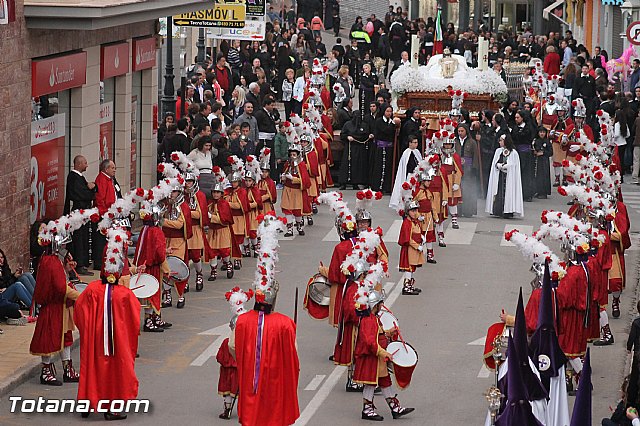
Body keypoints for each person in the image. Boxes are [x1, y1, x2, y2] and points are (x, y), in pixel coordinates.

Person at [229, 217, 300, 426]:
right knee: (273, 415)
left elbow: (233, 346)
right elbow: (294, 357)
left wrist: (246, 359)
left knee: (251, 416)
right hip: (276, 382)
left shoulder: (242, 321)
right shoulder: (285, 323)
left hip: (250, 380)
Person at [74, 233, 140, 421]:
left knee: (92, 368)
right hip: (116, 342)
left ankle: (87, 402)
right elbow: (134, 322)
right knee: (114, 372)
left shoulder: (92, 289)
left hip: (94, 341)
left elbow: (79, 312)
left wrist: (88, 331)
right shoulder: (125, 295)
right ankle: (111, 408)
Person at [353, 289, 414, 420]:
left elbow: (377, 334)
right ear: (375, 305)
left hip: (377, 358)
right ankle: (367, 409)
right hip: (372, 357)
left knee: (385, 381)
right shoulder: (368, 320)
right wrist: (383, 353)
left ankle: (394, 407)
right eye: (380, 303)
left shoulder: (373, 318)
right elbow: (369, 342)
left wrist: (388, 333)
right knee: (370, 383)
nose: (382, 305)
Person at [30, 244, 81, 385]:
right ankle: (46, 372)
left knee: (66, 338)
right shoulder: (50, 261)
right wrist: (80, 296)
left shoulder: (55, 260)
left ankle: (67, 369)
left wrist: (67, 269)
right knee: (48, 339)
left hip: (62, 306)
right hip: (53, 306)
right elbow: (60, 287)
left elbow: (60, 280)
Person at [134, 203, 172, 332]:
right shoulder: (156, 231)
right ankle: (149, 321)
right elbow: (159, 254)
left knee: (151, 293)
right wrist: (166, 268)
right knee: (153, 294)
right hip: (153, 267)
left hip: (145, 265)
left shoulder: (145, 230)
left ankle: (156, 317)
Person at [161, 186, 193, 309]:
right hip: (166, 240)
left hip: (178, 241)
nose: (171, 194)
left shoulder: (183, 207)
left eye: (174, 191)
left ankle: (180, 296)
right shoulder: (167, 205)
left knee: (177, 269)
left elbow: (180, 224)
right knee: (165, 269)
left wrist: (163, 221)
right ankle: (168, 296)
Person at [63, 155, 95, 275]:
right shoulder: (74, 177)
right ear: (79, 164)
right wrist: (91, 190)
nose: (87, 165)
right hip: (77, 216)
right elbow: (81, 194)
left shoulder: (79, 178)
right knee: (79, 239)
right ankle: (79, 264)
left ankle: (83, 263)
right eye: (85, 163)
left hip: (83, 215)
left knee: (84, 238)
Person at [486, 133, 524, 218]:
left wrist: (507, 166)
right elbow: (494, 163)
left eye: (501, 140)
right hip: (499, 176)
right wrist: (498, 165)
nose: (499, 142)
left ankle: (508, 211)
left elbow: (515, 165)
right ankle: (498, 210)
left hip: (509, 177)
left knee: (508, 191)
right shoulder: (498, 151)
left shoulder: (513, 153)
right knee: (499, 191)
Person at [206, 170, 234, 282]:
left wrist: (211, 217)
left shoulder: (224, 204)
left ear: (221, 193)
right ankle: (213, 271)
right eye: (214, 192)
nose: (215, 194)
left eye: (218, 192)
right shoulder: (210, 203)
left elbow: (224, 219)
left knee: (224, 251)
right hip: (212, 231)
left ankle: (228, 264)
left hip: (222, 231)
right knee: (212, 252)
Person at [93, 159, 121, 270]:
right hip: (104, 215)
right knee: (100, 240)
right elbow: (100, 199)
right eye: (113, 168)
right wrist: (105, 213)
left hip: (110, 213)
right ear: (106, 169)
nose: (115, 170)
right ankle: (99, 262)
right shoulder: (102, 180)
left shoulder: (110, 179)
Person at [280, 142, 311, 237]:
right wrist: (283, 178)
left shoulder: (301, 165)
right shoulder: (287, 164)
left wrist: (293, 178)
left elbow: (306, 181)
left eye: (294, 154)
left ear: (298, 155)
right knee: (287, 209)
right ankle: (289, 229)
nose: (292, 156)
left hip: (297, 191)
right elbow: (283, 175)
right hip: (287, 190)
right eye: (291, 154)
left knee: (297, 210)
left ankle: (299, 226)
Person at [185, 173, 209, 292]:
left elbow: (201, 214)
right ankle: (184, 279)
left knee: (195, 255)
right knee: (184, 256)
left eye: (190, 181)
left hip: (195, 229)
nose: (188, 184)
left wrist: (188, 212)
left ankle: (199, 274)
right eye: (186, 181)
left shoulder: (200, 195)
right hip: (183, 228)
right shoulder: (182, 195)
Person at [339, 111, 372, 190]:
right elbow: (342, 134)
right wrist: (347, 137)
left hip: (360, 148)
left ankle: (356, 182)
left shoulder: (364, 125)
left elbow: (366, 134)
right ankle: (343, 183)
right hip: (350, 147)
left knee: (358, 165)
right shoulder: (348, 124)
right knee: (347, 165)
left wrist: (369, 136)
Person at [225, 167, 250, 271]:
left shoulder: (242, 192)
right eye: (232, 182)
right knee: (230, 240)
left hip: (239, 219)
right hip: (230, 219)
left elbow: (240, 206)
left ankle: (237, 260)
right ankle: (227, 261)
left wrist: (228, 204)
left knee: (238, 241)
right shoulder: (228, 191)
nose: (233, 184)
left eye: (235, 182)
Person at [389, 135, 422, 210]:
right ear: (410, 143)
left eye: (417, 142)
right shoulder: (406, 153)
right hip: (409, 176)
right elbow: (404, 166)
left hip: (416, 176)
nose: (416, 144)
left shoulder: (417, 152)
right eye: (414, 142)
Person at [398, 200, 423, 295]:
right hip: (410, 249)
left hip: (414, 249)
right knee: (408, 268)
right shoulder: (407, 223)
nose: (415, 213)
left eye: (416, 210)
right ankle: (406, 286)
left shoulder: (414, 222)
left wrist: (421, 237)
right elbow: (408, 239)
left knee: (412, 267)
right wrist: (417, 246)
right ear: (407, 212)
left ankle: (410, 285)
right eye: (412, 211)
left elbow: (416, 232)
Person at [455, 123, 480, 217]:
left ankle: (468, 210)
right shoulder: (455, 141)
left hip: (468, 168)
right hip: (457, 168)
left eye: (462, 131)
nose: (460, 133)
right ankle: (457, 210)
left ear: (466, 131)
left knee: (468, 189)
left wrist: (474, 168)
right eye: (459, 131)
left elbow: (476, 156)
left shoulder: (472, 142)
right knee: (458, 188)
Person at [371, 104, 397, 193]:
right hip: (381, 147)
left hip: (389, 148)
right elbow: (385, 131)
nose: (389, 113)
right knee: (379, 167)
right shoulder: (379, 121)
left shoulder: (391, 122)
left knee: (388, 167)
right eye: (387, 111)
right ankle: (378, 186)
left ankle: (386, 186)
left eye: (390, 111)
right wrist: (392, 124)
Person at [511, 111, 535, 202]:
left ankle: (527, 194)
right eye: (515, 118)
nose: (516, 119)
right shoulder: (515, 127)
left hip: (526, 153)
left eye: (518, 117)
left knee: (526, 174)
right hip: (517, 152)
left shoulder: (528, 127)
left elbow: (527, 137)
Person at [532, 126, 552, 198]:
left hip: (544, 161)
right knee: (537, 176)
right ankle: (538, 191)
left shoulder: (547, 141)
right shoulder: (536, 141)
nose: (542, 134)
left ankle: (544, 192)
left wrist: (543, 153)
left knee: (544, 176)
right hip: (537, 160)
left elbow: (551, 152)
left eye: (543, 132)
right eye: (540, 132)